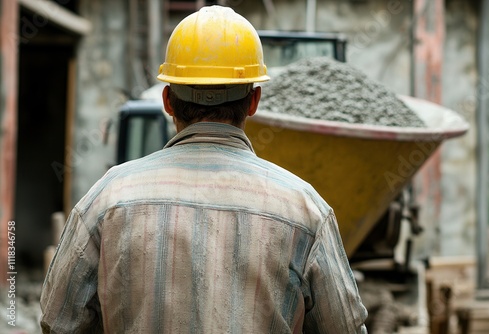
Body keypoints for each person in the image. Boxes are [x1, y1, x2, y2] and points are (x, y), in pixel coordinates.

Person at [40, 5, 367, 333]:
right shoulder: (304, 208)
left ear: (168, 100)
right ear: (254, 102)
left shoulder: (109, 197)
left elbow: (59, 324)